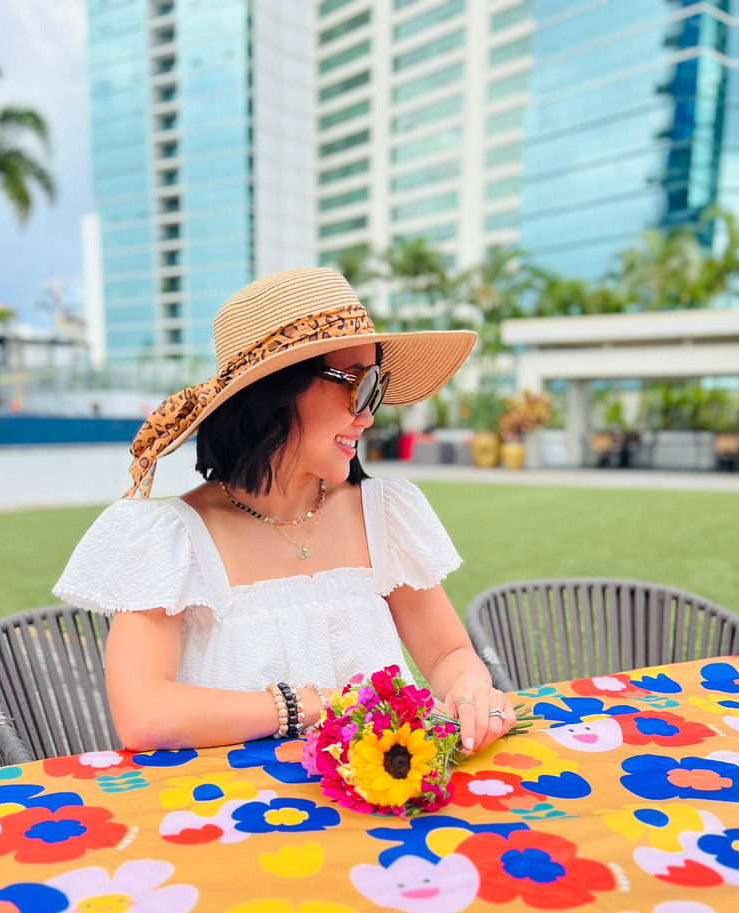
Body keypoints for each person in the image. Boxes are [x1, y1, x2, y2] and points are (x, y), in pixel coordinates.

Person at [54, 268, 515, 753]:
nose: (369, 414)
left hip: (382, 809)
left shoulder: (385, 514)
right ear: (276, 390)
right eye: (357, 383)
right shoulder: (170, 539)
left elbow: (447, 653)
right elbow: (144, 716)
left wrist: (467, 687)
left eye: (376, 386)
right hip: (229, 811)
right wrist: (316, 705)